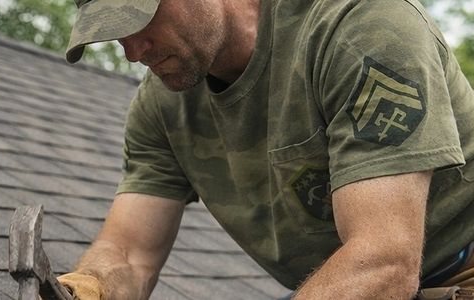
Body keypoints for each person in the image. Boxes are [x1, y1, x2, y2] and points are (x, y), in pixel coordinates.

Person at [57, 0, 474, 298]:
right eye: (114, 32)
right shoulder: (162, 105)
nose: (132, 52)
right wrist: (91, 285)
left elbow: (383, 264)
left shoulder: (360, 26)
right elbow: (130, 254)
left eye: (140, 18)